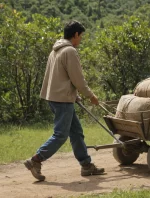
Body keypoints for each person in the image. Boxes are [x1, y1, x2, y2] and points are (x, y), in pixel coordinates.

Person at [24, 20, 104, 181]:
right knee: (60, 135)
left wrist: (75, 95)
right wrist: (91, 96)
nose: (80, 40)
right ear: (75, 35)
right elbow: (78, 80)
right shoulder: (70, 51)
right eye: (80, 36)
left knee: (76, 132)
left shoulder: (56, 50)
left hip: (55, 97)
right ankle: (35, 160)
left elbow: (61, 78)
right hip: (62, 100)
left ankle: (86, 165)